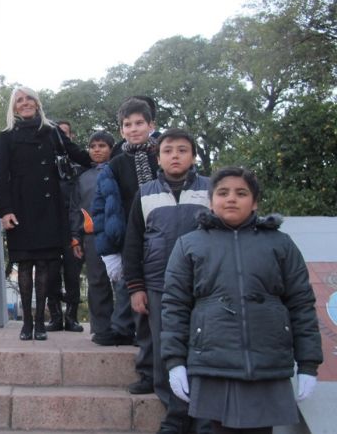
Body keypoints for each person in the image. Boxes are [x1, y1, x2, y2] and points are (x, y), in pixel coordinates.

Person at [162, 166, 322, 434]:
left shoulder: (280, 244)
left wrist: (308, 363)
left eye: (241, 193)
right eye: (223, 192)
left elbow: (301, 304)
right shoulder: (189, 244)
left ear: (255, 202)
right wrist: (174, 361)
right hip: (213, 362)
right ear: (211, 201)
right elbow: (174, 306)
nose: (231, 199)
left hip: (267, 361)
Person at [122, 128, 210, 433]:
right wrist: (136, 287)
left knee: (200, 346)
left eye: (182, 150)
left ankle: (201, 416)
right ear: (158, 158)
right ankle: (175, 413)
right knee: (165, 348)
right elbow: (133, 243)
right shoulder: (146, 193)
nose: (175, 156)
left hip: (203, 286)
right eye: (168, 150)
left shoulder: (210, 190)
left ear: (193, 156)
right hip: (158, 284)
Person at [0, 87, 91, 341]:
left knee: (46, 265)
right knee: (25, 265)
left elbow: (78, 153)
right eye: (20, 100)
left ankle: (40, 322)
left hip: (50, 207)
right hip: (21, 208)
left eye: (29, 99)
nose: (25, 103)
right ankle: (27, 322)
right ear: (14, 107)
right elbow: (0, 176)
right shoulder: (7, 136)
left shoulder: (52, 131)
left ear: (37, 103)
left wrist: (106, 158)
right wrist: (4, 211)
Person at [91, 97, 159, 395]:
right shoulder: (115, 165)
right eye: (127, 125)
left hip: (165, 240)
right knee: (137, 301)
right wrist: (109, 251)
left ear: (151, 125)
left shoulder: (164, 155)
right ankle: (147, 371)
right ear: (121, 130)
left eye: (139, 123)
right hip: (132, 241)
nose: (134, 129)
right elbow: (103, 208)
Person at [69, 131, 116, 339]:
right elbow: (75, 209)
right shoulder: (82, 177)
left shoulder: (119, 171)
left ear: (111, 149)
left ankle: (125, 326)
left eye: (102, 146)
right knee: (97, 282)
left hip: (118, 235)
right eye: (93, 146)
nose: (97, 150)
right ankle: (101, 329)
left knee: (123, 283)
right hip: (92, 236)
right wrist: (75, 237)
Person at [48, 119, 85, 332]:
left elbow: (79, 204)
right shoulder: (44, 166)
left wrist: (77, 233)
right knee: (50, 274)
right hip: (50, 228)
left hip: (73, 228)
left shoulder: (79, 168)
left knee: (72, 274)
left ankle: (71, 316)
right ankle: (54, 316)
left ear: (71, 137)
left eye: (64, 134)